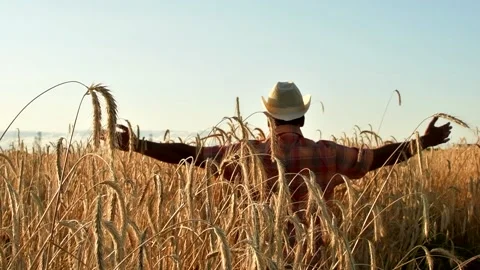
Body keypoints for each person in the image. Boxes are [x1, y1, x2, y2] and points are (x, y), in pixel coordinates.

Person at [104, 81, 451, 259]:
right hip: (314, 261)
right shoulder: (327, 155)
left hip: (255, 258)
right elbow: (377, 158)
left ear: (268, 118)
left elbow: (190, 155)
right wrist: (423, 141)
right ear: (301, 117)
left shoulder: (243, 155)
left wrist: (140, 145)